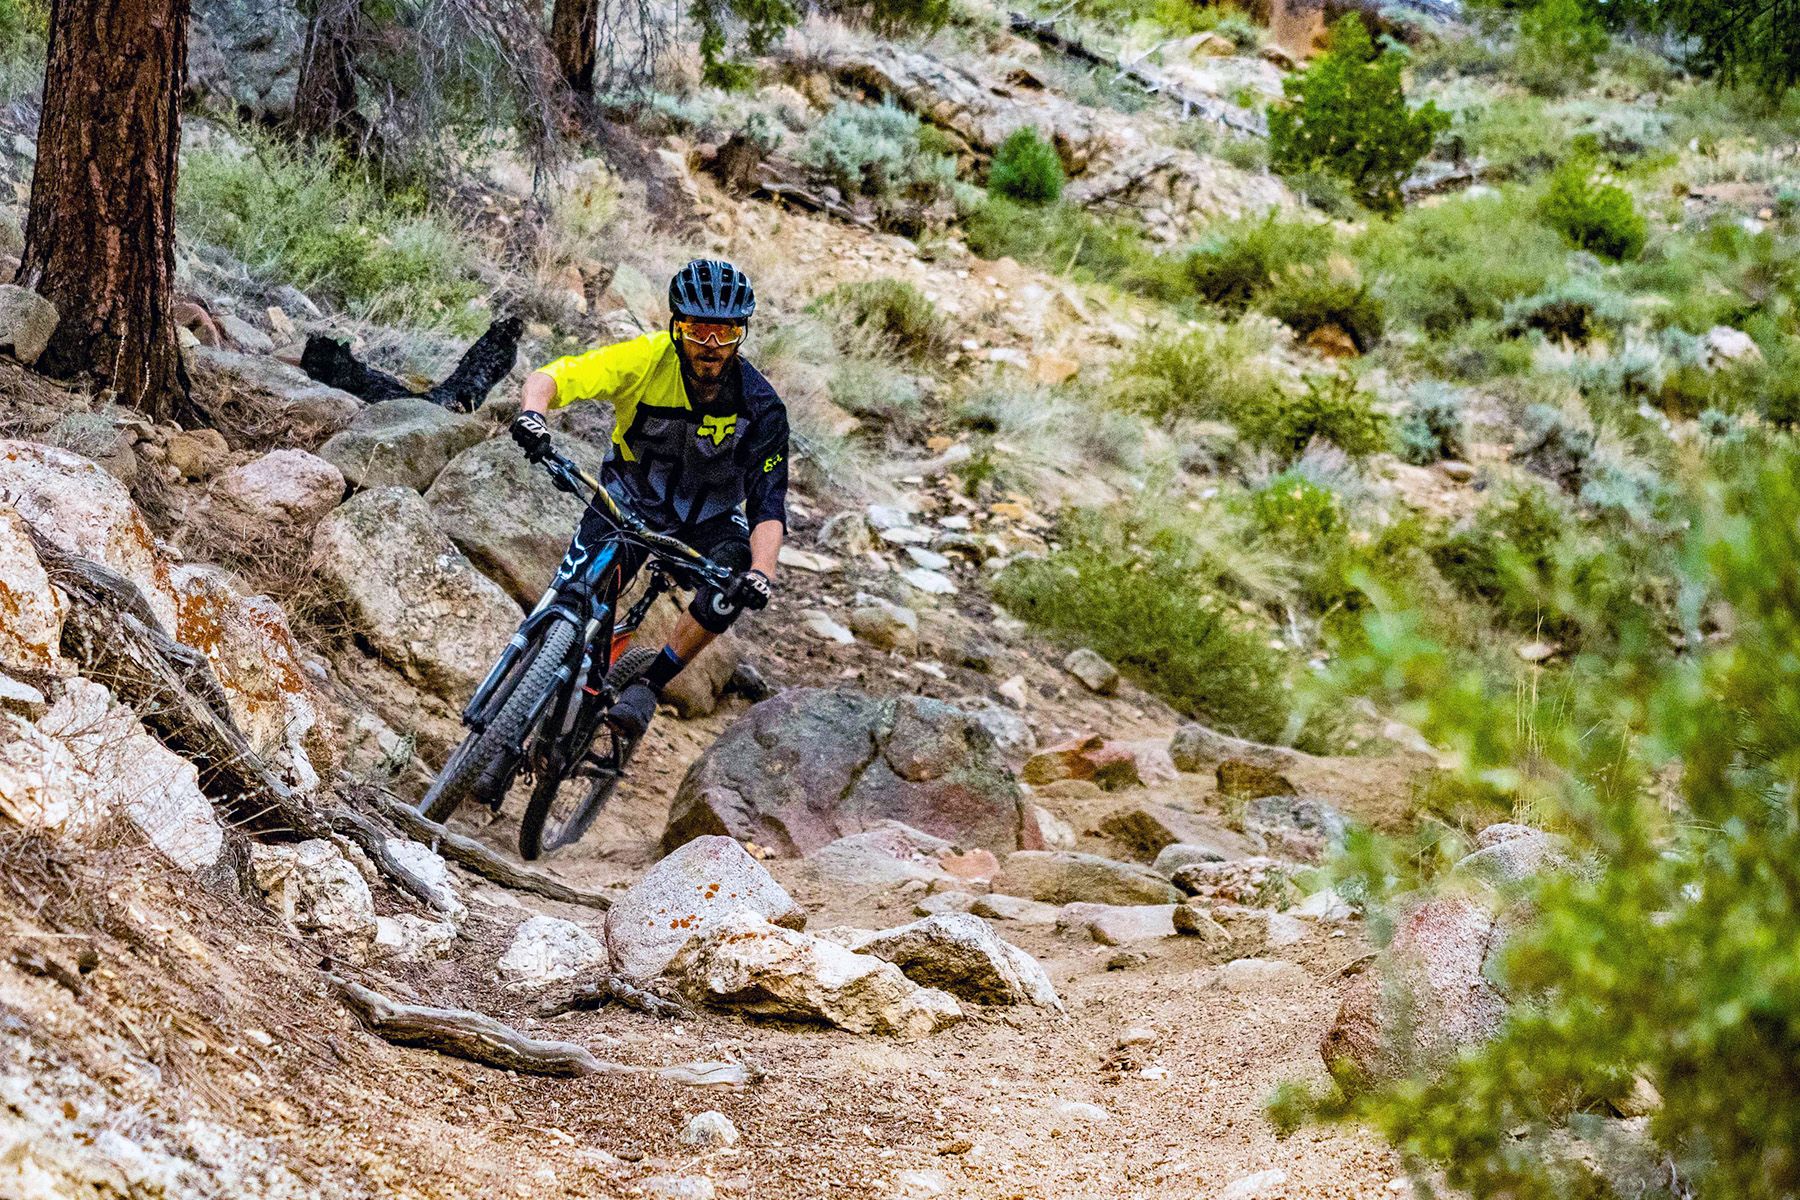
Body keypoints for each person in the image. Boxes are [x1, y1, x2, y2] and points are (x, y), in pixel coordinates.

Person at [507, 259, 787, 738]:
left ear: (741, 334)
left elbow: (768, 503)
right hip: (629, 496)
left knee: (734, 577)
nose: (711, 345)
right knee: (576, 592)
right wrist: (534, 414)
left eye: (725, 332)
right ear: (677, 326)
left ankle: (650, 685)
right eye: (698, 330)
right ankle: (540, 683)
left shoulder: (762, 407)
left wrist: (761, 573)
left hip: (707, 519)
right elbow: (557, 376)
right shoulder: (646, 359)